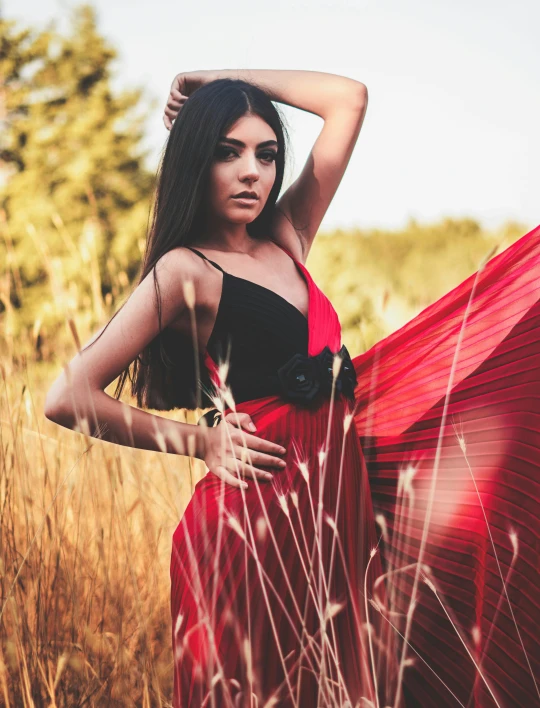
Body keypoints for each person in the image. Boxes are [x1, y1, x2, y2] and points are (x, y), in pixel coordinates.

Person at [44, 69, 540, 708]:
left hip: (337, 522)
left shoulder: (285, 236)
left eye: (266, 153)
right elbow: (67, 396)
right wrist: (201, 443)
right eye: (228, 152)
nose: (251, 171)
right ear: (197, 159)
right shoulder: (184, 270)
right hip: (251, 525)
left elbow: (348, 99)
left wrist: (216, 77)